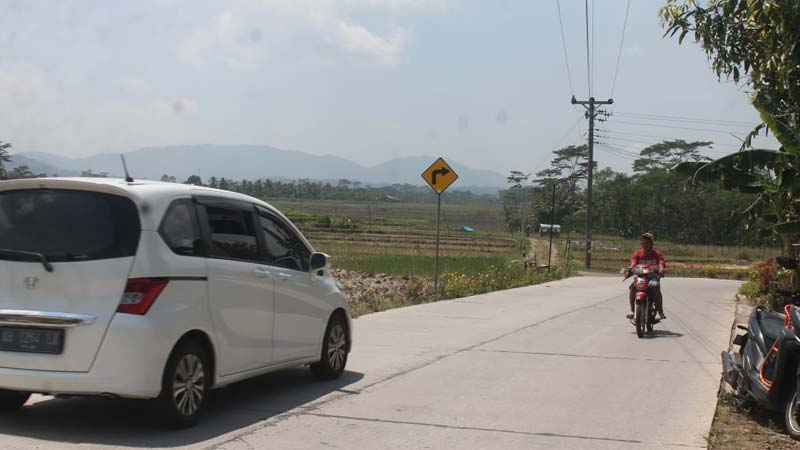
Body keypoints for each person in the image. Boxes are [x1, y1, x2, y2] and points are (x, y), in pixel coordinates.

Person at [626, 232, 666, 320]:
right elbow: (633, 263)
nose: (645, 245)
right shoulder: (637, 254)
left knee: (655, 286)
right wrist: (631, 267)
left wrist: (661, 269)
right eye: (643, 243)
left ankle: (660, 311)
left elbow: (661, 263)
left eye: (647, 243)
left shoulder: (657, 254)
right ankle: (632, 311)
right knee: (632, 287)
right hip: (640, 277)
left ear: (651, 244)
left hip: (653, 276)